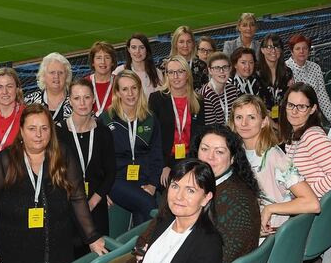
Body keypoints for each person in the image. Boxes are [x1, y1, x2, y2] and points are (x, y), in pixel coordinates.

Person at [44, 159, 223, 263]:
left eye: (190, 190)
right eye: (175, 186)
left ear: (206, 198)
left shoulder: (208, 244)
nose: (179, 196)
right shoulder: (166, 222)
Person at [0, 105, 108, 263]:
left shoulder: (62, 154)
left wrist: (92, 236)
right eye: (32, 129)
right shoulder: (6, 161)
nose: (39, 134)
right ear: (22, 131)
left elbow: (77, 197)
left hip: (59, 244)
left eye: (44, 128)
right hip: (17, 251)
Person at [229, 95, 319, 235]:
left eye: (251, 117)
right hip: (246, 221)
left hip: (268, 232)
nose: (244, 123)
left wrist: (270, 209)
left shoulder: (274, 156)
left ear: (264, 122)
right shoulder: (236, 151)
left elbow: (312, 203)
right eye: (239, 117)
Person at [101, 70, 164, 225]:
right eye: (124, 89)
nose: (130, 93)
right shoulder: (106, 118)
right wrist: (100, 190)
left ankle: (138, 248)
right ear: (117, 92)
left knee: (142, 213)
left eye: (134, 88)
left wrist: (152, 184)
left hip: (143, 177)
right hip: (116, 179)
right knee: (149, 205)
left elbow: (157, 154)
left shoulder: (149, 118)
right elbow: (98, 158)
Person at [190, 127, 260, 263]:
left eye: (219, 152)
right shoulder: (191, 182)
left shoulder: (238, 199)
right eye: (204, 149)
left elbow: (226, 255)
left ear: (232, 158)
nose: (210, 157)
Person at [61, 78, 116, 238]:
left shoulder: (103, 132)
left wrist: (93, 202)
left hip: (96, 204)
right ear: (70, 101)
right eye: (77, 98)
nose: (82, 103)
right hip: (68, 205)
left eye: (86, 97)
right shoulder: (59, 133)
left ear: (93, 99)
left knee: (99, 253)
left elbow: (110, 172)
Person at [279, 84, 331, 197]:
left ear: (312, 109)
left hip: (311, 209)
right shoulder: (294, 135)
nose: (294, 111)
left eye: (301, 107)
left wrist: (306, 195)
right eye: (290, 105)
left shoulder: (312, 137)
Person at [149, 55, 205, 185]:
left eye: (180, 71)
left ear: (187, 74)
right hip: (166, 161)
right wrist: (164, 165)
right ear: (166, 75)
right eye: (171, 72)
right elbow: (154, 138)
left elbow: (200, 136)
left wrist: (194, 164)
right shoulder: (156, 99)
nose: (176, 76)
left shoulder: (198, 101)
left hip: (191, 159)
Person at [285, 34, 331, 121]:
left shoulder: (315, 67)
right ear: (292, 51)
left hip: (312, 116)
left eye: (305, 48)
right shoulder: (284, 68)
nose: (302, 51)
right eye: (297, 48)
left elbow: (322, 95)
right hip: (293, 116)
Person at [24, 52, 73, 123]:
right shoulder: (30, 101)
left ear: (67, 76)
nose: (56, 76)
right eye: (52, 72)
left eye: (61, 73)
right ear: (43, 75)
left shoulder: (77, 101)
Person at [113, 33, 162, 98]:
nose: (137, 51)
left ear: (146, 50)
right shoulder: (119, 71)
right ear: (129, 50)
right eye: (133, 47)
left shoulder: (157, 73)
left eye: (141, 47)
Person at [256, 33, 292, 121]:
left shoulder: (287, 72)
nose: (273, 50)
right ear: (262, 50)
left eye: (277, 47)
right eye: (269, 47)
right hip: (261, 121)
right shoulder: (255, 73)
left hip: (283, 119)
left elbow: (289, 100)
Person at [201, 52, 239, 130]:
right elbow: (211, 129)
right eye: (217, 68)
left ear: (230, 69)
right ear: (210, 70)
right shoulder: (206, 95)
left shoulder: (232, 90)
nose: (222, 71)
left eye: (225, 67)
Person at [168, 26, 208, 90]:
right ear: (175, 44)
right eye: (181, 42)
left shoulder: (201, 66)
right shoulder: (166, 66)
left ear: (193, 44)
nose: (185, 45)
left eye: (189, 42)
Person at [87, 42, 116, 117]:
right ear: (93, 62)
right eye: (98, 58)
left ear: (112, 62)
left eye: (107, 57)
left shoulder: (120, 82)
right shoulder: (84, 83)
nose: (103, 62)